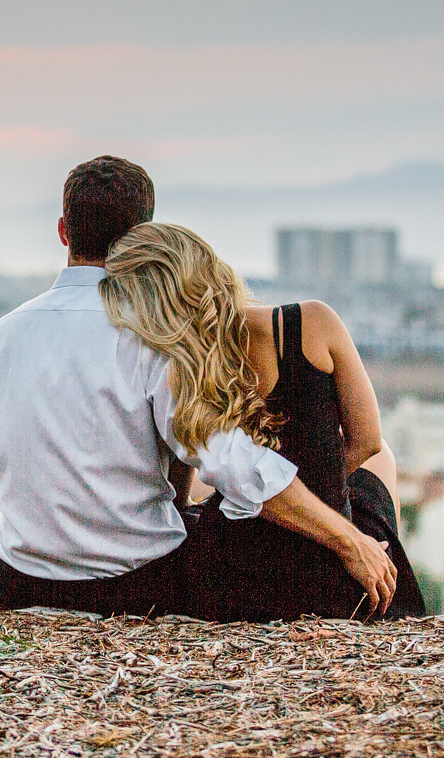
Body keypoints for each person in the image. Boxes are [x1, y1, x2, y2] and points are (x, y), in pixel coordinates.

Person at [0, 156, 400, 618]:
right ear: (144, 237)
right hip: (131, 584)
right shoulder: (148, 335)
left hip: (21, 575)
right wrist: (350, 540)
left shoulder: (3, 334)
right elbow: (235, 465)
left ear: (63, 231)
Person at [108, 223, 425, 620]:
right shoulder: (312, 322)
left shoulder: (175, 365)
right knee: (383, 461)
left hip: (230, 579)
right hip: (322, 571)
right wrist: (322, 489)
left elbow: (183, 480)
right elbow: (368, 441)